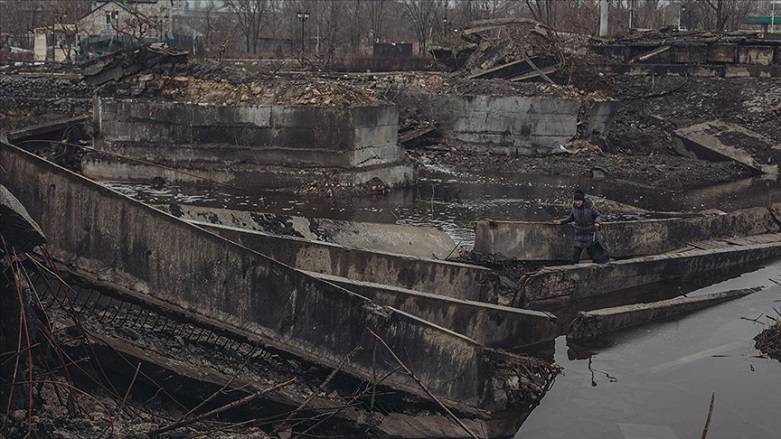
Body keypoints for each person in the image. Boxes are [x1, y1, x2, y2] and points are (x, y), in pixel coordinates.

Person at [553, 189, 603, 264]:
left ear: (582, 200)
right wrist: (561, 221)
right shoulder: (574, 208)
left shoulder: (590, 207)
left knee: (591, 253)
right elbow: (571, 218)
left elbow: (597, 215)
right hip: (579, 234)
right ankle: (575, 267)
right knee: (576, 253)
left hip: (589, 233)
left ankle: (596, 266)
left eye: (579, 201)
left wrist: (597, 222)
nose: (577, 202)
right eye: (576, 201)